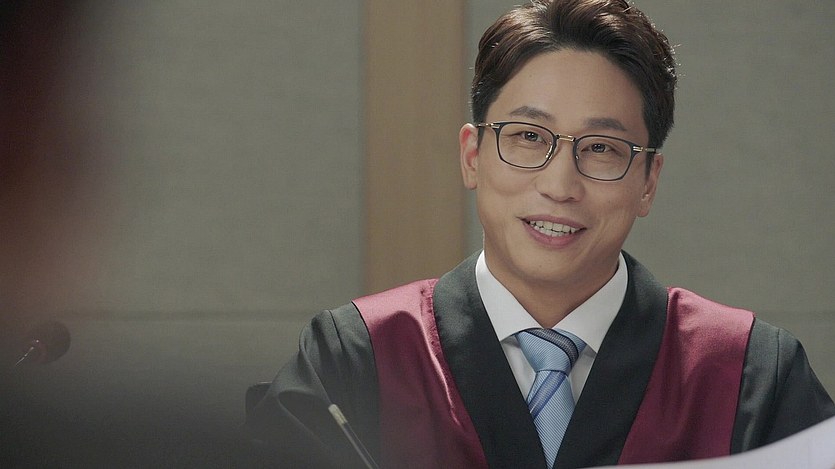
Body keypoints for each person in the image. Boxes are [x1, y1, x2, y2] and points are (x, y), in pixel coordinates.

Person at [247, 0, 835, 467]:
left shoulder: (750, 375)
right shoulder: (357, 358)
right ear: (473, 156)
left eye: (602, 148)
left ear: (649, 181)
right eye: (529, 137)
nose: (560, 185)